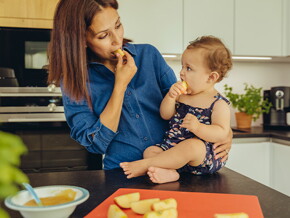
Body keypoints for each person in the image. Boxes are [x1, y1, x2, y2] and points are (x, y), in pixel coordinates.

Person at [48, 0, 231, 171]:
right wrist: (120, 85)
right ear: (82, 40)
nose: (117, 40)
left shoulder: (149, 55)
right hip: (121, 172)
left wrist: (224, 132)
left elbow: (184, 106)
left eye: (118, 25)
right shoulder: (74, 81)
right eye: (103, 35)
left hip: (171, 169)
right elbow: (96, 144)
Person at [120, 36, 232, 184]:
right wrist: (170, 97)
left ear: (211, 77)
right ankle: (171, 172)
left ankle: (145, 165)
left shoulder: (218, 104)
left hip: (203, 156)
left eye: (189, 68)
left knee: (192, 145)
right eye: (182, 66)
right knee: (150, 151)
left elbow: (221, 132)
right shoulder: (183, 95)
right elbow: (165, 115)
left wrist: (198, 128)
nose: (182, 73)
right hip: (172, 147)